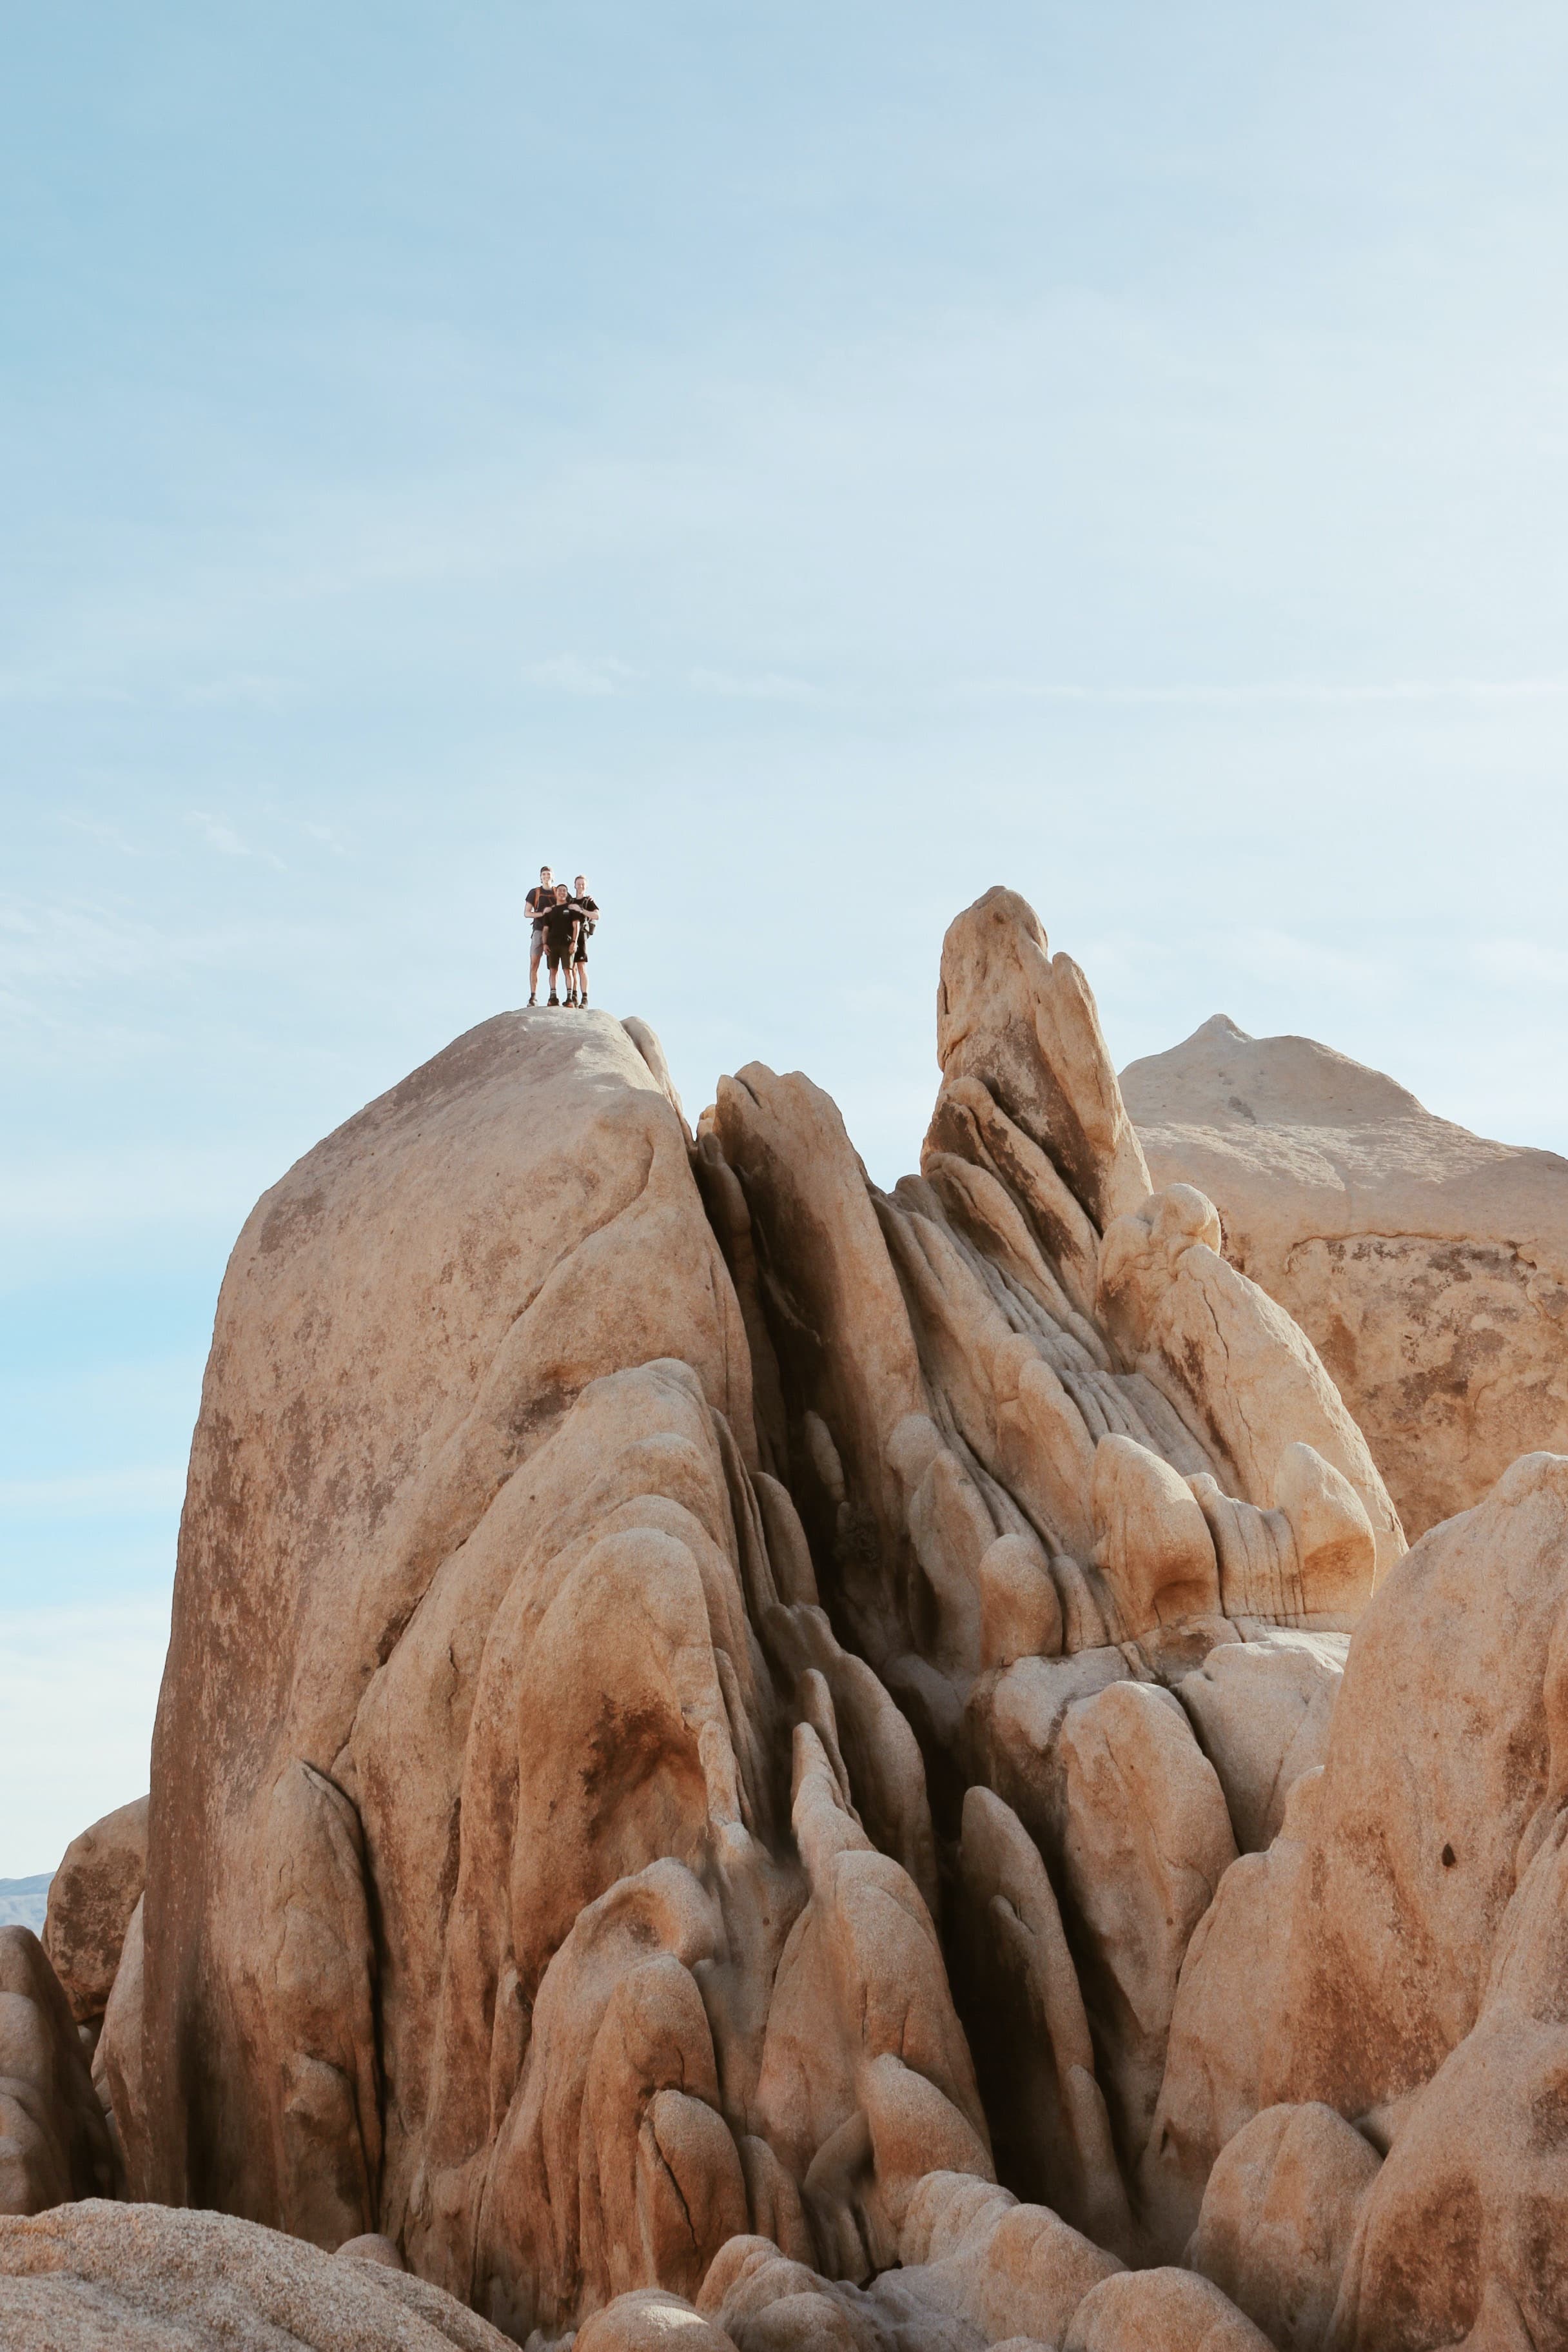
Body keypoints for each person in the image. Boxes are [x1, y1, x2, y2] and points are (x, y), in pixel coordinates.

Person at [538, 882, 581, 1007]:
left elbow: (576, 926)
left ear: (567, 893)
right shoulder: (550, 911)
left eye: (564, 891)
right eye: (560, 890)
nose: (562, 893)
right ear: (556, 893)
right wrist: (545, 944)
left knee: (568, 970)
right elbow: (545, 929)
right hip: (552, 944)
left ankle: (569, 999)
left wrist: (574, 942)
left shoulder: (571, 909)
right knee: (553, 971)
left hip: (567, 944)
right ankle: (553, 997)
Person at [566, 874, 600, 1008]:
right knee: (571, 967)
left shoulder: (588, 901)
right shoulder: (570, 901)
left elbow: (597, 915)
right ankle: (574, 996)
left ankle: (585, 998)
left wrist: (580, 910)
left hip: (581, 935)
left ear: (586, 886)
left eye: (583, 884)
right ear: (574, 885)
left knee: (581, 966)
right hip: (569, 935)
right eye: (578, 884)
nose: (580, 886)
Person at [524, 865, 556, 1006]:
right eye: (544, 874)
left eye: (548, 874)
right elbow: (527, 913)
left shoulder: (558, 892)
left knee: (553, 966)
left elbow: (570, 905)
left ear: (552, 876)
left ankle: (552, 996)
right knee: (534, 964)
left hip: (554, 933)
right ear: (540, 877)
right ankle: (533, 996)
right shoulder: (535, 892)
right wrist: (542, 914)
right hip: (538, 930)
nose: (546, 876)